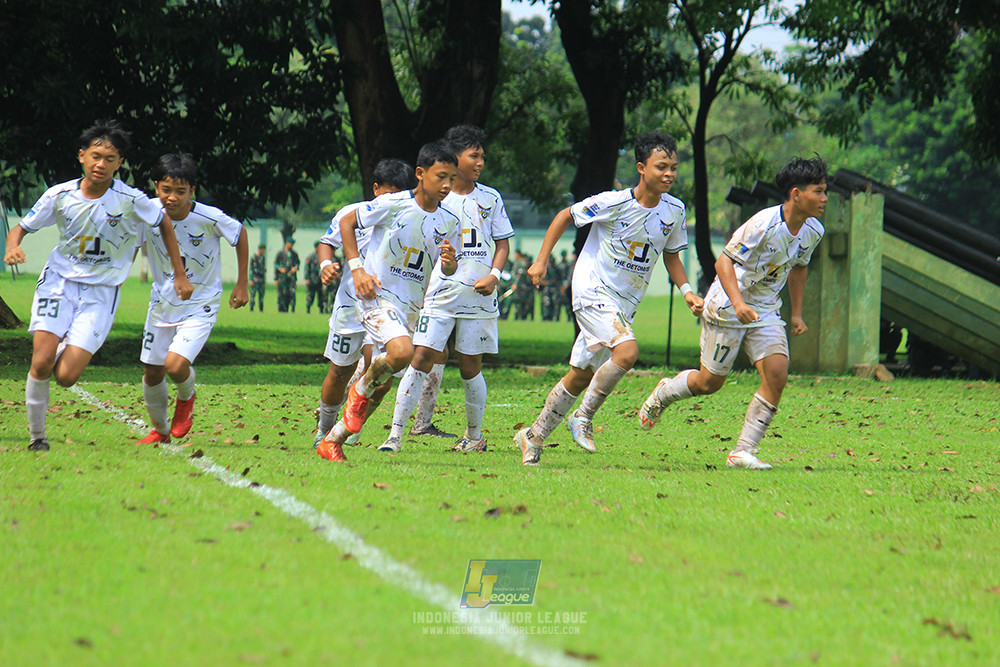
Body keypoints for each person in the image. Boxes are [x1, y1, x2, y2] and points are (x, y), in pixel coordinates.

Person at [514, 131, 702, 466]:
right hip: (591, 290)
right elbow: (564, 216)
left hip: (624, 303)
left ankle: (532, 437)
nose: (670, 173)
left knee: (580, 375)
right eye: (662, 166)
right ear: (642, 168)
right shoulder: (614, 202)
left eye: (673, 166)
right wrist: (541, 260)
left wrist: (687, 291)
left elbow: (672, 254)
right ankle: (583, 417)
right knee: (627, 351)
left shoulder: (675, 210)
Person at [3, 120, 193, 451]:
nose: (101, 164)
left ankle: (62, 348)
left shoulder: (130, 199)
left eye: (110, 158)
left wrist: (179, 274)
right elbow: (21, 227)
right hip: (58, 284)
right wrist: (12, 247)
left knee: (65, 377)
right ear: (82, 156)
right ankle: (38, 439)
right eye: (95, 155)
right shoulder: (59, 195)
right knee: (40, 360)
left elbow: (162, 220)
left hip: (101, 295)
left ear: (119, 163)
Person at [638, 157, 827, 470]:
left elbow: (799, 268)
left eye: (825, 192)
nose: (824, 199)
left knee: (777, 374)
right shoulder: (763, 225)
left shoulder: (813, 231)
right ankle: (664, 392)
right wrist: (739, 304)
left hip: (765, 308)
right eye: (818, 192)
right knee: (709, 383)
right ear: (796, 194)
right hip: (727, 304)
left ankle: (742, 451)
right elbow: (723, 263)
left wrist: (796, 313)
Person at [317, 141, 461, 462]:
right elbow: (347, 223)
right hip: (374, 298)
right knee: (401, 354)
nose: (448, 185)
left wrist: (449, 262)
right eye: (442, 176)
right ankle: (353, 396)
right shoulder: (393, 204)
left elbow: (448, 267)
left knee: (390, 371)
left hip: (410, 308)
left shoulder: (449, 221)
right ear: (421, 174)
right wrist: (357, 271)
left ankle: (334, 438)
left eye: (452, 178)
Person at [381, 125, 514, 453]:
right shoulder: (438, 198)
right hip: (439, 293)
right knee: (422, 355)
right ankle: (395, 435)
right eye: (474, 155)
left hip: (479, 295)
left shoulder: (491, 198)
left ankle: (474, 436)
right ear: (455, 159)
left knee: (471, 366)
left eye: (483, 155)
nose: (481, 161)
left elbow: (502, 243)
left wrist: (495, 275)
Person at [134, 153, 249, 444]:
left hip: (201, 303)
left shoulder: (209, 217)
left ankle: (187, 397)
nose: (172, 198)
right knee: (152, 371)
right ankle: (160, 431)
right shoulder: (146, 214)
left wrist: (242, 283)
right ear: (156, 186)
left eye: (181, 192)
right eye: (166, 190)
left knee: (174, 365)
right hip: (162, 304)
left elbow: (240, 233)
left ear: (192, 192)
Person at [312, 158, 416, 450]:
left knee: (383, 374)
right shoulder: (352, 213)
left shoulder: (408, 216)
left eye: (400, 193)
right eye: (388, 192)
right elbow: (326, 242)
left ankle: (349, 427)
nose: (393, 198)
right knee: (339, 371)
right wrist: (326, 264)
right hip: (350, 304)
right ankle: (324, 429)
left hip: (386, 306)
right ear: (375, 189)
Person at [274, 236, 299, 312]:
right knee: (282, 294)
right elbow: (275, 265)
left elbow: (298, 264)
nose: (291, 245)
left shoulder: (294, 254)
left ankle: (292, 309)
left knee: (292, 293)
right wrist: (279, 271)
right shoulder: (280, 253)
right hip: (282, 277)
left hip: (291, 277)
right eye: (290, 243)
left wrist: (295, 268)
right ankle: (281, 309)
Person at [304, 241, 324, 314]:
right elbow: (306, 268)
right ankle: (308, 309)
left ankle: (321, 310)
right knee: (310, 296)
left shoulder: (322, 256)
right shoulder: (311, 257)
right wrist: (307, 279)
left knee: (321, 296)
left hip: (320, 280)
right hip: (312, 280)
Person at [249, 243, 267, 311]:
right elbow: (251, 269)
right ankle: (251, 308)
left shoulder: (263, 258)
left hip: (261, 279)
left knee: (261, 295)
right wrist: (251, 279)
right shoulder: (254, 257)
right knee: (253, 295)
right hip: (255, 279)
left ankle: (261, 309)